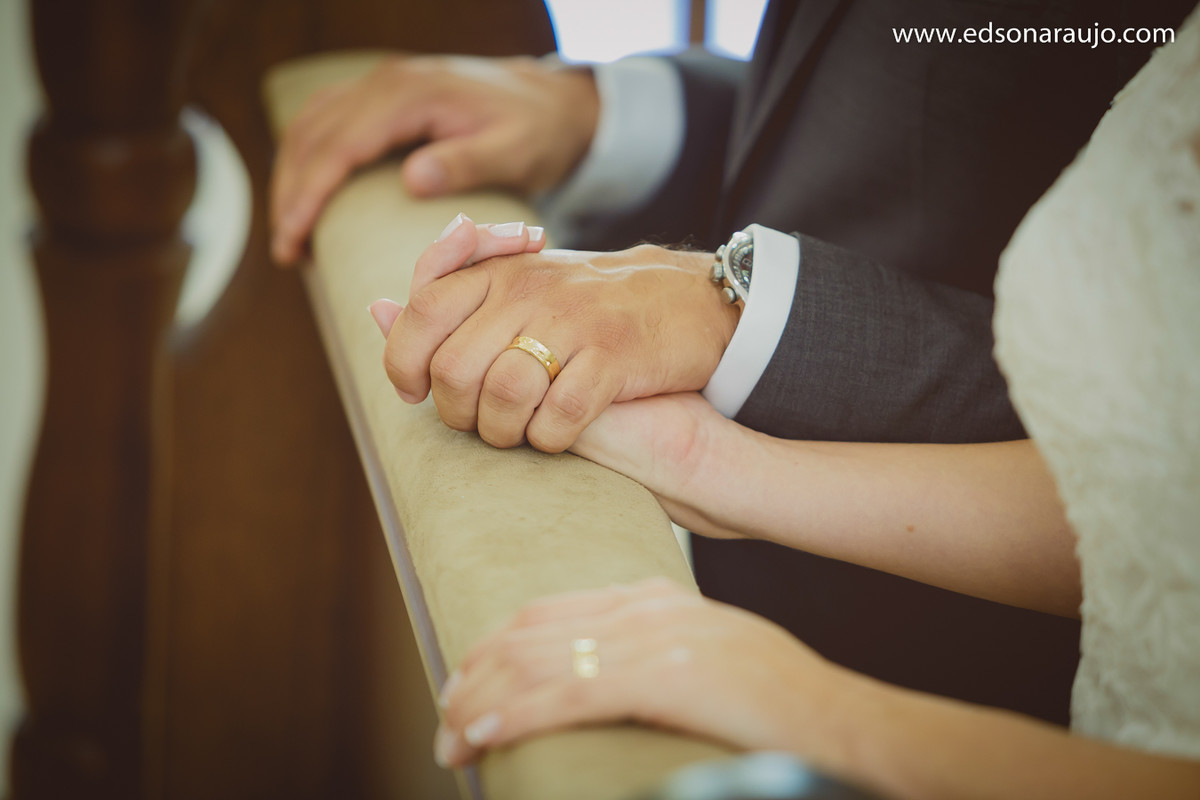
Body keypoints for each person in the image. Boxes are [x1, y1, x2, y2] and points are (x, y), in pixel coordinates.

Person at [273, 0, 1193, 721]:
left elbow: (1147, 405)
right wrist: (602, 112)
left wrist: (728, 305)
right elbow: (926, 75)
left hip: (981, 671)